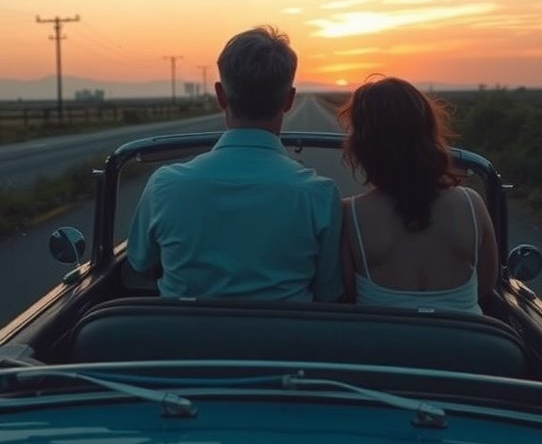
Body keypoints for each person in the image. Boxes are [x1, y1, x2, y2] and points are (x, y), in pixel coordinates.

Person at [128, 26, 342, 301]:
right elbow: (328, 292)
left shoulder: (164, 185)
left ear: (220, 96)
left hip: (180, 342)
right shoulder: (319, 195)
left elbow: (139, 262)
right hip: (285, 343)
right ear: (289, 100)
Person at [339, 77, 498, 313]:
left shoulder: (351, 214)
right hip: (464, 345)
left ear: (363, 144)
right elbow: (485, 286)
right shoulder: (471, 204)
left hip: (383, 346)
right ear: (428, 132)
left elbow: (346, 292)